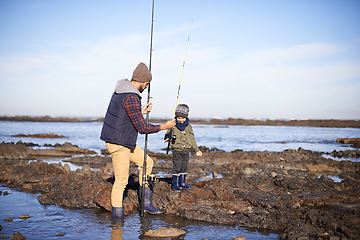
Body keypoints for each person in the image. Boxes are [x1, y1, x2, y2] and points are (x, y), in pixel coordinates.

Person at [100, 62, 175, 221]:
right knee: (121, 181)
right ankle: (117, 221)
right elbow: (142, 128)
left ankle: (146, 203)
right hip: (119, 143)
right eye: (147, 84)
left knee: (147, 162)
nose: (146, 87)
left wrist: (140, 111)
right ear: (141, 80)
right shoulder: (131, 96)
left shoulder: (122, 91)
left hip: (122, 140)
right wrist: (164, 126)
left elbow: (125, 115)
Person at [164, 104, 202, 192]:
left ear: (186, 117)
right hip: (176, 150)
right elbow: (167, 133)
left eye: (183, 118)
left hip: (186, 150)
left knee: (184, 166)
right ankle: (175, 184)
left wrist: (197, 150)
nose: (181, 120)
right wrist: (167, 137)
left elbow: (192, 139)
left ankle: (182, 183)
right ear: (176, 117)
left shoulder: (189, 127)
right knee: (177, 166)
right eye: (179, 118)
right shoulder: (172, 125)